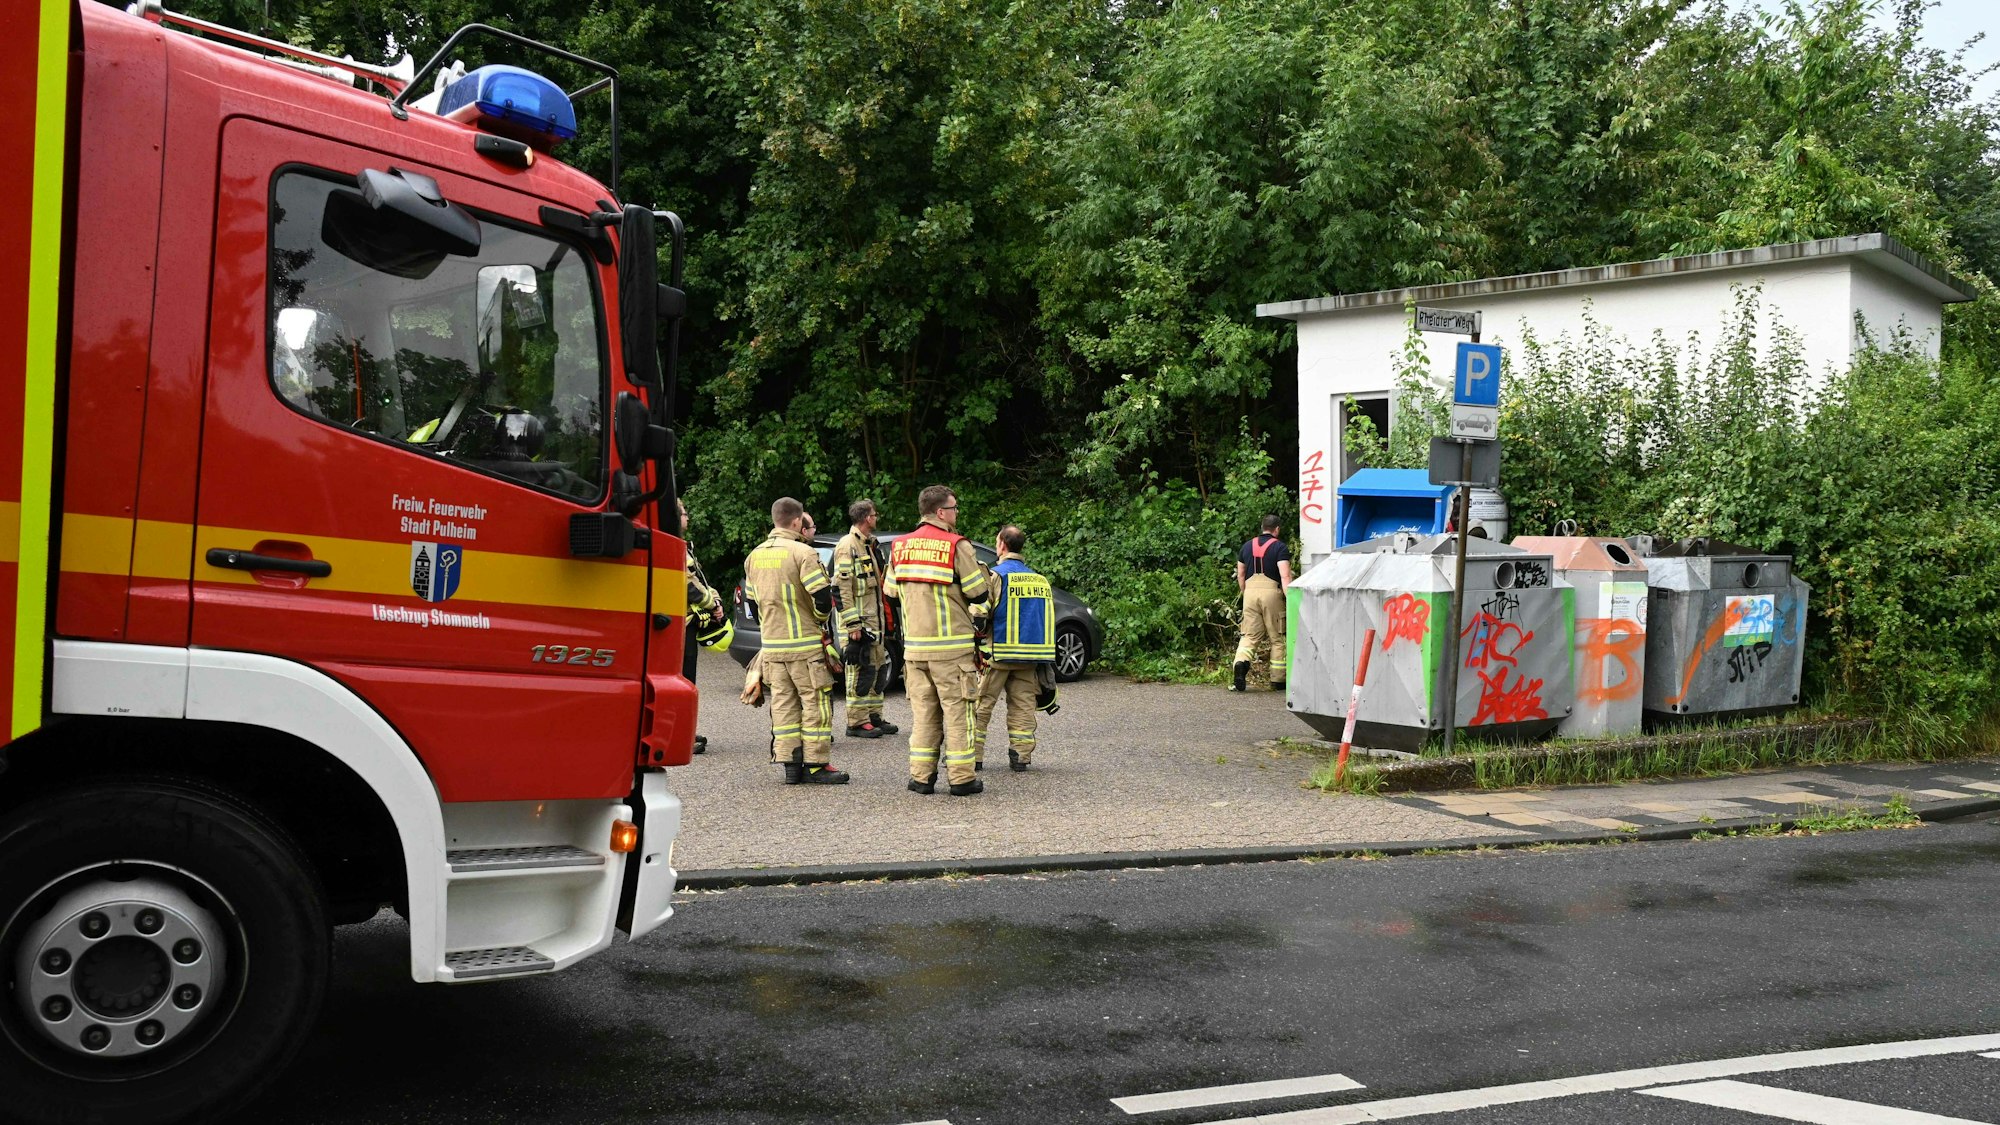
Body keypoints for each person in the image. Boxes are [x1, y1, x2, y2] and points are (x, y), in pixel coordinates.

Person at [884, 485, 989, 796]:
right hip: (951, 650)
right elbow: (979, 593)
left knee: (924, 714)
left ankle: (921, 778)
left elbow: (891, 594)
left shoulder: (899, 547)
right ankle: (961, 779)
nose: (957, 514)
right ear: (941, 512)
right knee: (958, 713)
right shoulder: (956, 546)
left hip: (915, 650)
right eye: (954, 508)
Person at [743, 497, 848, 785]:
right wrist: (818, 619)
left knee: (784, 705)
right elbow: (823, 596)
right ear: (797, 522)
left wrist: (770, 629)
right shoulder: (802, 552)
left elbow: (752, 605)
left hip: (773, 647)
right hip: (804, 646)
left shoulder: (754, 556)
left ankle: (791, 764)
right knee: (815, 703)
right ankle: (816, 766)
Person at [972, 525, 1056, 772]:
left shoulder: (996, 576)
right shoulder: (1040, 581)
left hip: (997, 654)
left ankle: (974, 757)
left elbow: (980, 613)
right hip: (1030, 657)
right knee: (1023, 708)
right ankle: (1020, 756)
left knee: (981, 705)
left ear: (1001, 546)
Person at [833, 498, 896, 739]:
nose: (876, 518)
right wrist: (852, 625)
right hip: (859, 623)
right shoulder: (847, 545)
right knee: (860, 672)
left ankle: (873, 716)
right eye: (874, 515)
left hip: (874, 621)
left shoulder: (869, 544)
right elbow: (841, 587)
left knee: (877, 669)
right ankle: (857, 723)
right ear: (867, 518)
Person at [679, 498, 727, 754]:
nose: (688, 517)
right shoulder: (674, 547)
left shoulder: (684, 547)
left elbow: (700, 580)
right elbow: (688, 586)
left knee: (688, 680)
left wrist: (715, 598)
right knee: (684, 680)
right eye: (685, 513)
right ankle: (681, 735)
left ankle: (685, 730)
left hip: (685, 625)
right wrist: (712, 604)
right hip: (680, 627)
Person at [1232, 514, 1292, 692]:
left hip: (1249, 593)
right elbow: (1285, 575)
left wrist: (1245, 592)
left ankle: (1240, 665)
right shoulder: (1280, 547)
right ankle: (1278, 680)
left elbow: (1241, 574)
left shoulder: (1246, 546)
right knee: (1278, 638)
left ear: (1262, 527)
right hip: (1271, 593)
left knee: (1249, 635)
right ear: (1277, 529)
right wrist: (1290, 598)